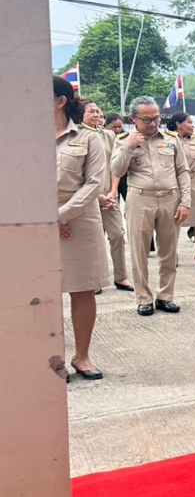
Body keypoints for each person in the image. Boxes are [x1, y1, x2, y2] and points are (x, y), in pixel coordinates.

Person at [111, 97, 191, 316]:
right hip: (140, 199)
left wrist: (185, 202)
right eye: (147, 119)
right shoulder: (123, 140)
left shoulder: (171, 139)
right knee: (139, 252)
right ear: (133, 118)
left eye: (156, 118)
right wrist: (128, 147)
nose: (153, 123)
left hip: (170, 199)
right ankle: (144, 298)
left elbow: (182, 171)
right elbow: (116, 170)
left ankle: (166, 296)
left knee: (169, 252)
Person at [54, 77, 109, 379]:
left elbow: (94, 183)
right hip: (40, 221)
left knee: (83, 290)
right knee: (41, 291)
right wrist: (47, 219)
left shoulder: (88, 138)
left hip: (80, 220)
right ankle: (49, 356)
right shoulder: (30, 135)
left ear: (60, 101)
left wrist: (61, 216)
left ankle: (82, 356)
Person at [83, 101, 133, 292]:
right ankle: (93, 280)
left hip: (109, 196)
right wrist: (96, 196)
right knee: (93, 239)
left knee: (118, 235)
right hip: (87, 198)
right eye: (91, 111)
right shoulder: (77, 135)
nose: (97, 114)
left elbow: (115, 166)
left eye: (98, 111)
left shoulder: (108, 135)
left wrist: (113, 192)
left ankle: (121, 277)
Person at [168, 112, 195, 267]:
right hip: (174, 181)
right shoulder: (169, 139)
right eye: (189, 122)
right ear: (178, 124)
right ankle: (173, 253)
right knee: (172, 220)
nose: (192, 126)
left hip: (194, 180)